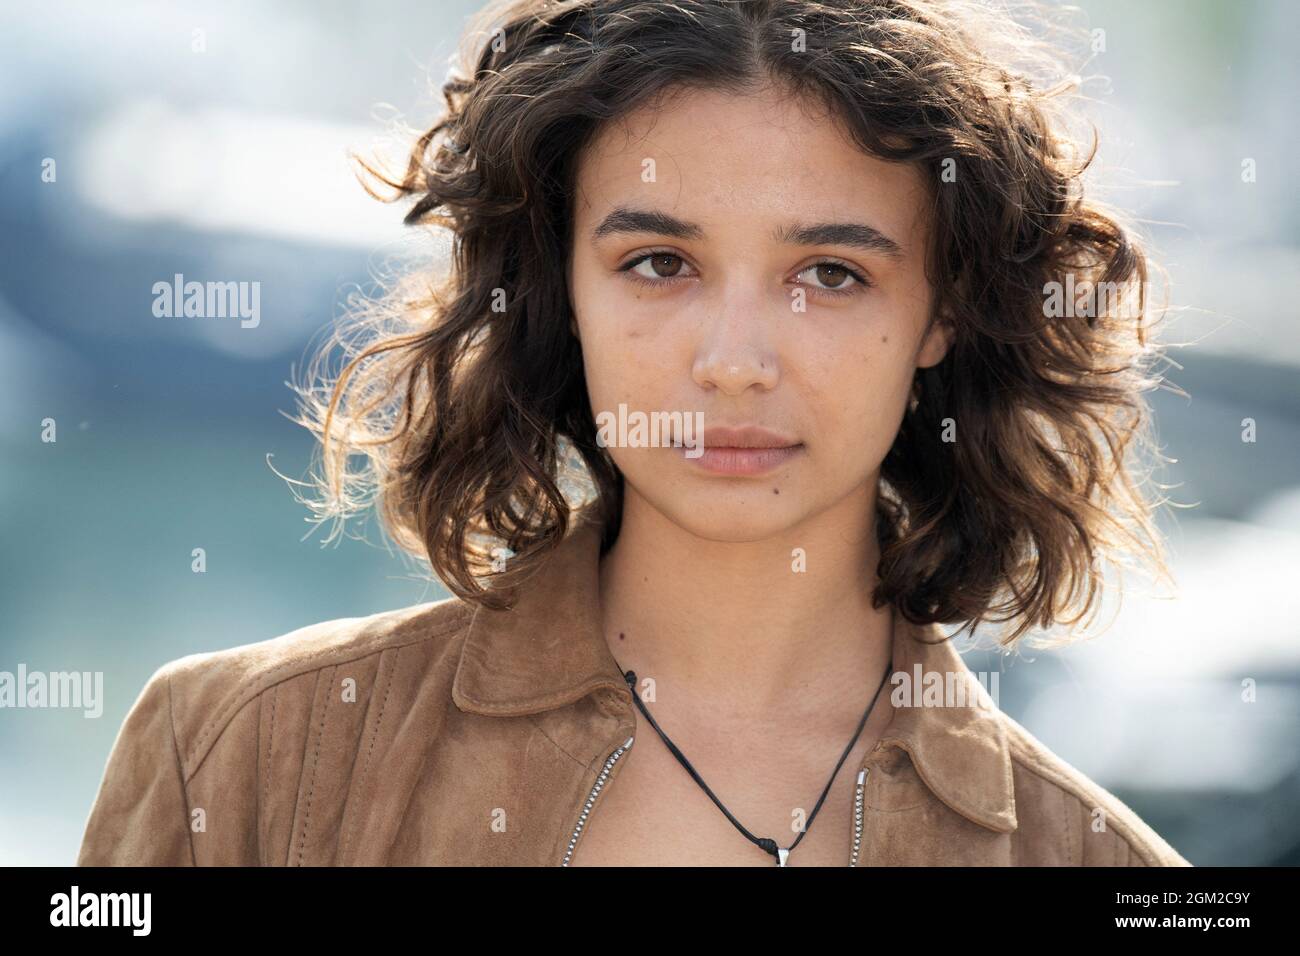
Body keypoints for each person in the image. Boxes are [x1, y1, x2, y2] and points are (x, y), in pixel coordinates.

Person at [78, 0, 1190, 866]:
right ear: (560, 288)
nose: (736, 357)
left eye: (831, 273)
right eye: (659, 263)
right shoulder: (242, 756)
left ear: (941, 311)